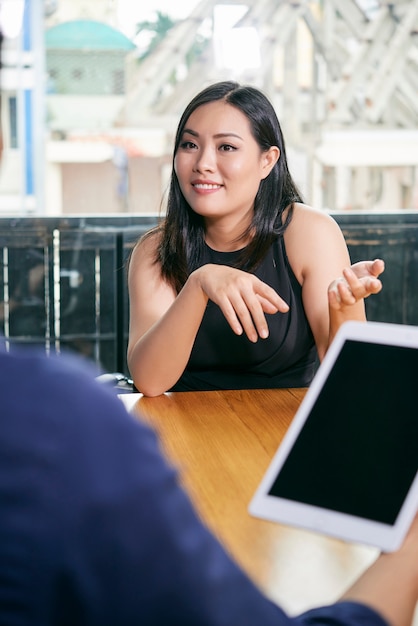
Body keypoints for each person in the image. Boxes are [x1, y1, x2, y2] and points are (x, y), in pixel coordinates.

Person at [1, 347, 418, 626]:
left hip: (265, 450)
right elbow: (149, 378)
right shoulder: (52, 417)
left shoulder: (45, 416)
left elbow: (344, 361)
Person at [127, 81, 384, 396]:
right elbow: (150, 382)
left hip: (282, 428)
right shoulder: (156, 250)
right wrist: (199, 285)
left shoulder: (310, 232)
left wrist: (346, 306)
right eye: (190, 145)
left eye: (226, 147)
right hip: (183, 429)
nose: (203, 164)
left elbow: (350, 382)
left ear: (267, 161)